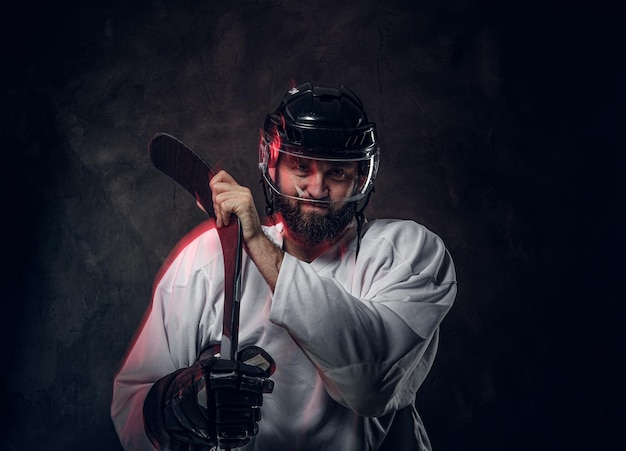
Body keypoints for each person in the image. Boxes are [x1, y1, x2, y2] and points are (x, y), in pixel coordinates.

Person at [111, 82, 457, 450]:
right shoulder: (207, 257)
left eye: (337, 173)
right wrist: (178, 407)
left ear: (361, 177)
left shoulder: (409, 254)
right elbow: (132, 402)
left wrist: (258, 245)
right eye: (300, 167)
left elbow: (369, 384)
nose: (316, 189)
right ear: (273, 167)